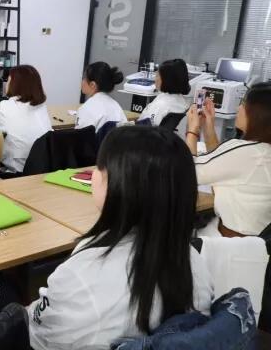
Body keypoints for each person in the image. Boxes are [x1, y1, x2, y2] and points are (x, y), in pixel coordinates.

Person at [27, 126, 213, 349]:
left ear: (120, 184)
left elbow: (38, 336)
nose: (93, 174)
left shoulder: (82, 275)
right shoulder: (195, 263)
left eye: (99, 167)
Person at [186, 82, 271, 237]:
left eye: (243, 104)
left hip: (229, 241)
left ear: (259, 115)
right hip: (257, 242)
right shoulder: (261, 151)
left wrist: (192, 130)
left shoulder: (247, 152)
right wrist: (209, 128)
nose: (239, 108)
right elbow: (223, 164)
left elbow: (188, 170)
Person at [0, 65, 52, 172]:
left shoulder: (6, 106)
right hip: (45, 165)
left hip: (19, 168)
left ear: (14, 84)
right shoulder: (41, 106)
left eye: (8, 80)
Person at [76, 61, 127, 131]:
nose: (82, 81)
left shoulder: (86, 108)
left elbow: (79, 136)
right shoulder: (117, 107)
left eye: (84, 78)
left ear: (92, 85)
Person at [138, 59, 190, 126]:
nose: (155, 79)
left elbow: (147, 127)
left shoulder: (161, 104)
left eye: (157, 75)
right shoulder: (184, 102)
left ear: (167, 80)